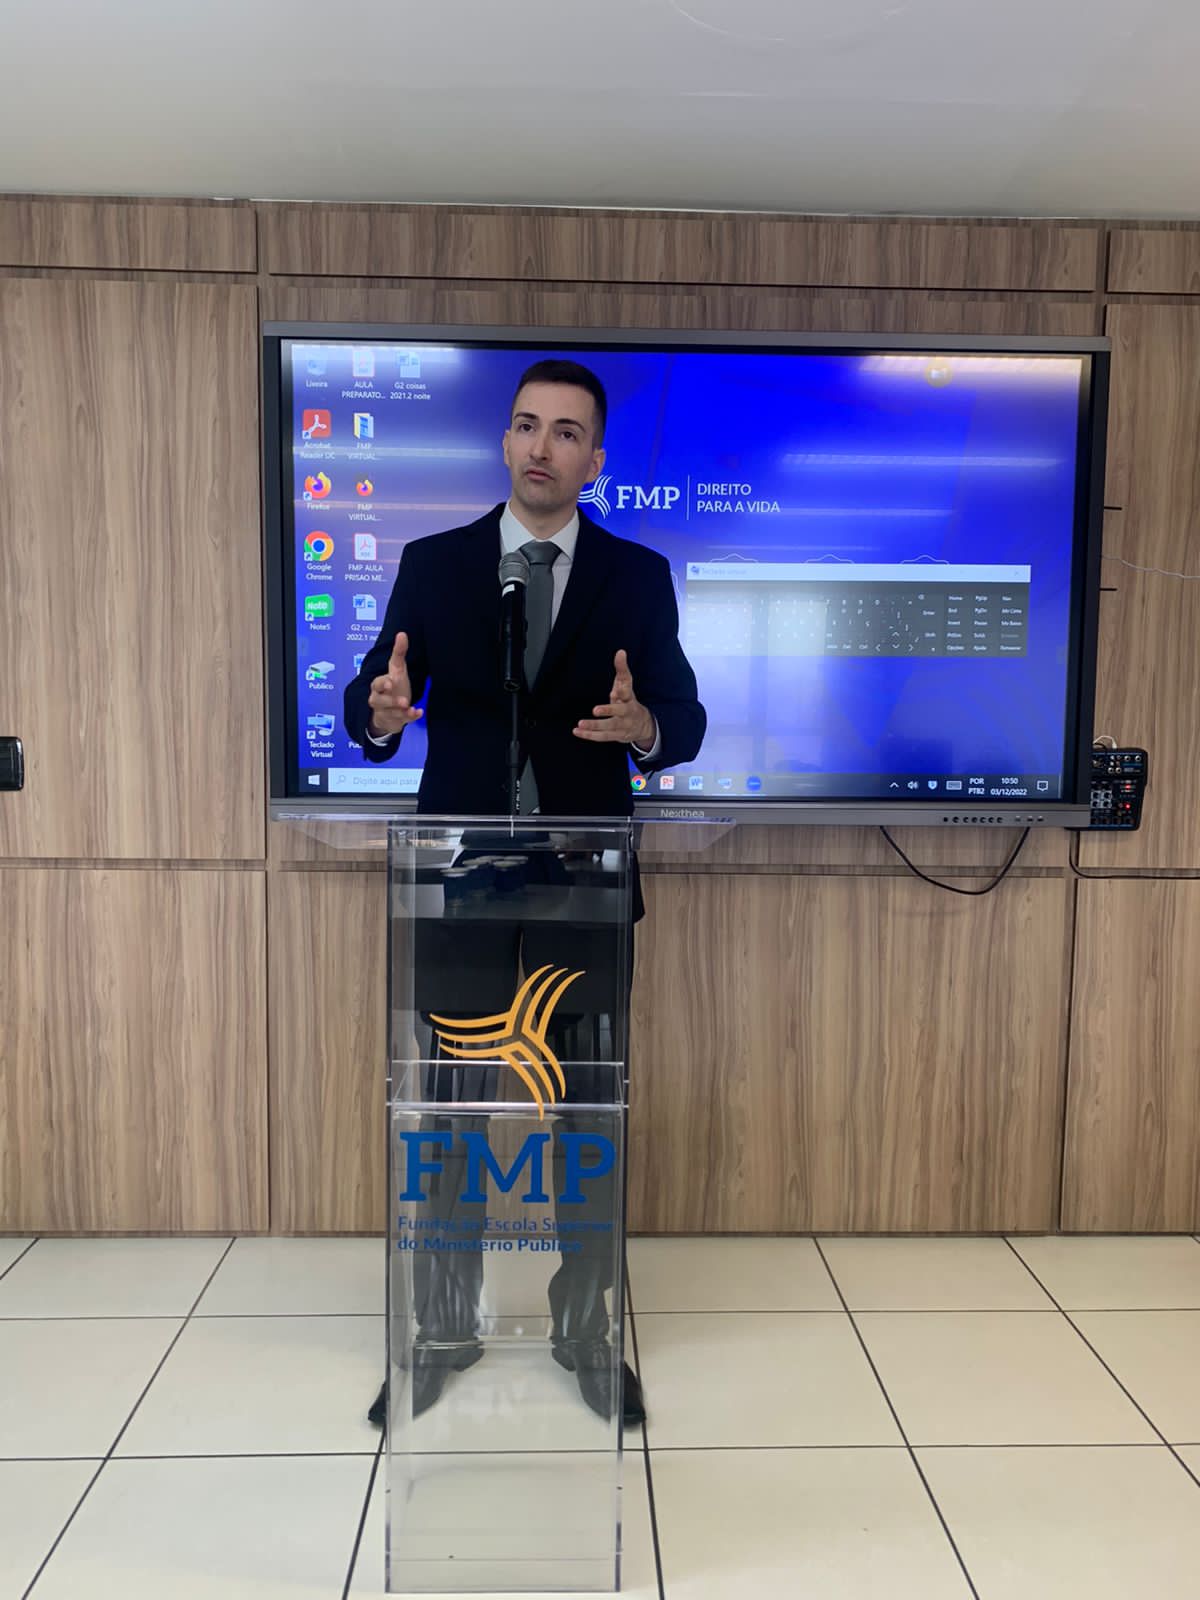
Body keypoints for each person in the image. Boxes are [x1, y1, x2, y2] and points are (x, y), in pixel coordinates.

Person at [344, 357, 705, 1428]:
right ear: (505, 443)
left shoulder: (635, 575)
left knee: (585, 1113)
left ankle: (586, 1334)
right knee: (448, 1117)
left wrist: (645, 727)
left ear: (595, 461)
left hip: (582, 882)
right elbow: (374, 696)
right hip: (457, 882)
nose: (542, 446)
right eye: (526, 425)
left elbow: (683, 718)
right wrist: (380, 711)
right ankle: (441, 1330)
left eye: (566, 432)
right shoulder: (436, 564)